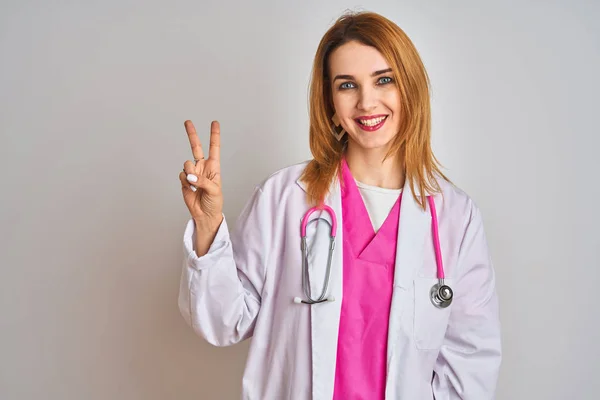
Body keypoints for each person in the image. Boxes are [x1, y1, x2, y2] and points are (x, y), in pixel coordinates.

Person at [177, 10, 501, 400]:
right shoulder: (283, 198)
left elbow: (470, 365)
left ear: (409, 88)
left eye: (384, 80)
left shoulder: (455, 219)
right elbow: (223, 322)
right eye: (347, 85)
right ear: (330, 101)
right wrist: (209, 225)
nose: (367, 102)